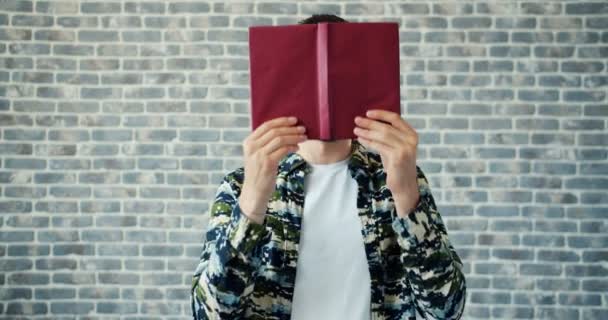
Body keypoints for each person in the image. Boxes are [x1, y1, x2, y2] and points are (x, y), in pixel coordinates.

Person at [191, 14, 466, 320]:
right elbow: (209, 314)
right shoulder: (239, 185)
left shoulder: (396, 178)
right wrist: (253, 201)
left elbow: (445, 311)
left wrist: (406, 196)